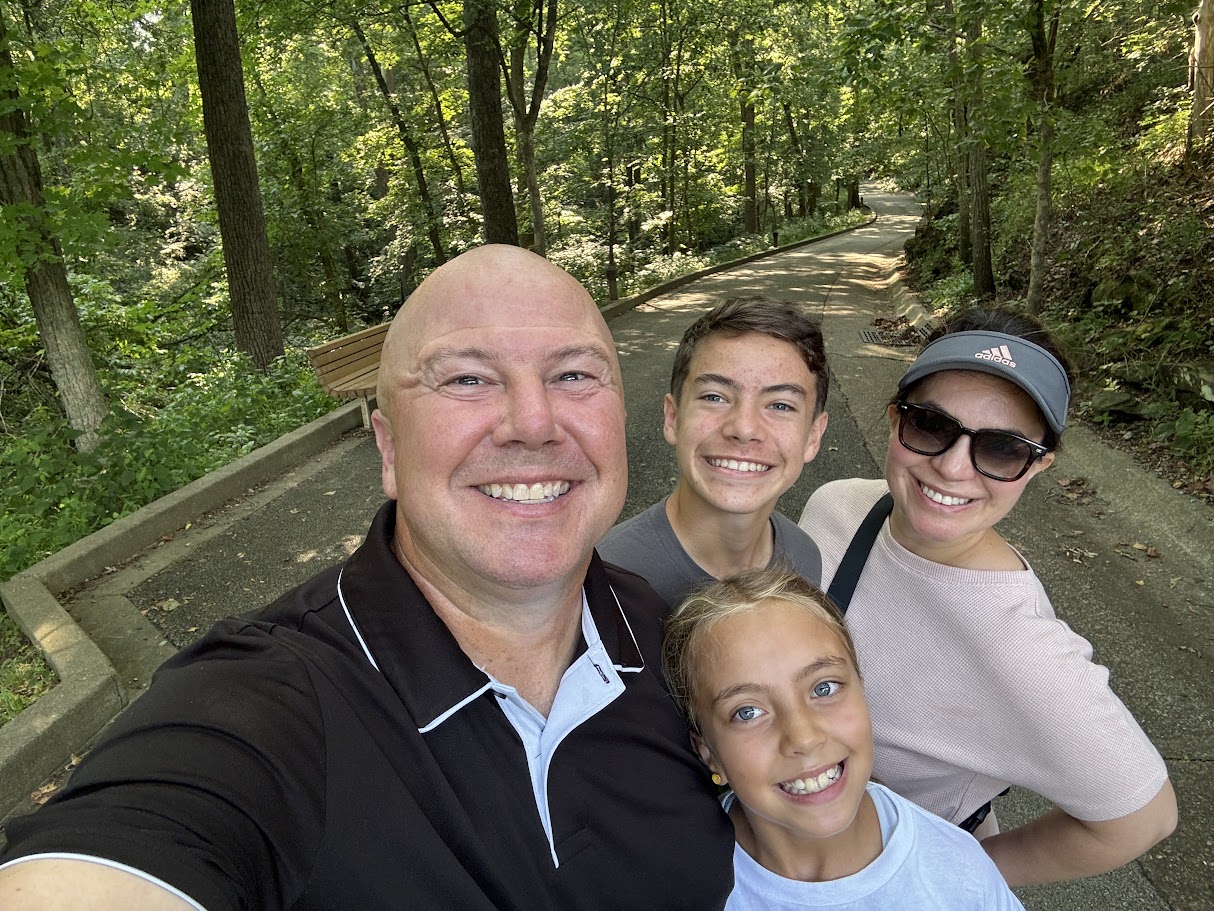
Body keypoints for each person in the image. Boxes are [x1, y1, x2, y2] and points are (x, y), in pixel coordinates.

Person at [0, 245, 734, 910]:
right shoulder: (265, 705)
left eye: (573, 374)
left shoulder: (665, 636)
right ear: (387, 448)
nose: (534, 422)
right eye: (469, 378)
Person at [799, 308, 1177, 886]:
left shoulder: (1022, 646)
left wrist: (945, 870)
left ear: (1037, 466)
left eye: (1001, 449)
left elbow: (1142, 818)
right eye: (930, 425)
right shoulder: (837, 507)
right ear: (894, 418)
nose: (952, 468)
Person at [662, 566, 1026, 910]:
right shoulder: (672, 887)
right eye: (747, 712)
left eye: (824, 687)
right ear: (708, 752)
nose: (803, 737)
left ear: (862, 692)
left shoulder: (959, 874)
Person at [599, 297, 829, 604]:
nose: (744, 428)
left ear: (813, 436)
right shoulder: (600, 582)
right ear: (673, 418)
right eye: (715, 397)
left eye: (781, 405)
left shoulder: (803, 559)